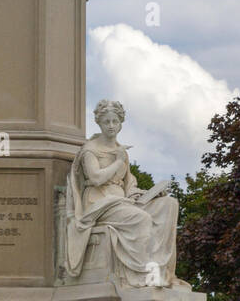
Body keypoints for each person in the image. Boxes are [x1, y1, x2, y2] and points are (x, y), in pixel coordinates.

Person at [65, 99, 187, 288]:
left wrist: (144, 194)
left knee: (168, 205)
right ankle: (142, 275)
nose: (111, 126)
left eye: (115, 121)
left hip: (122, 200)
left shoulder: (121, 151)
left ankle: (161, 271)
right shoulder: (91, 150)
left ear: (121, 123)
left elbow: (128, 184)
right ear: (99, 123)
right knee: (141, 219)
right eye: (107, 122)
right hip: (100, 202)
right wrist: (117, 161)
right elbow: (96, 178)